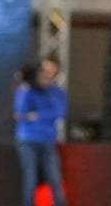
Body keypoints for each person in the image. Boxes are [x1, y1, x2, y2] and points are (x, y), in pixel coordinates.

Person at [14, 56, 68, 206]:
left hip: (48, 140)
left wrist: (37, 115)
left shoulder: (58, 92)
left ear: (56, 72)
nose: (47, 73)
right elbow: (21, 114)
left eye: (51, 70)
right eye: (45, 70)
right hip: (27, 140)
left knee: (55, 180)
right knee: (30, 179)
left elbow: (58, 114)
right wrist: (25, 89)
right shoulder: (27, 89)